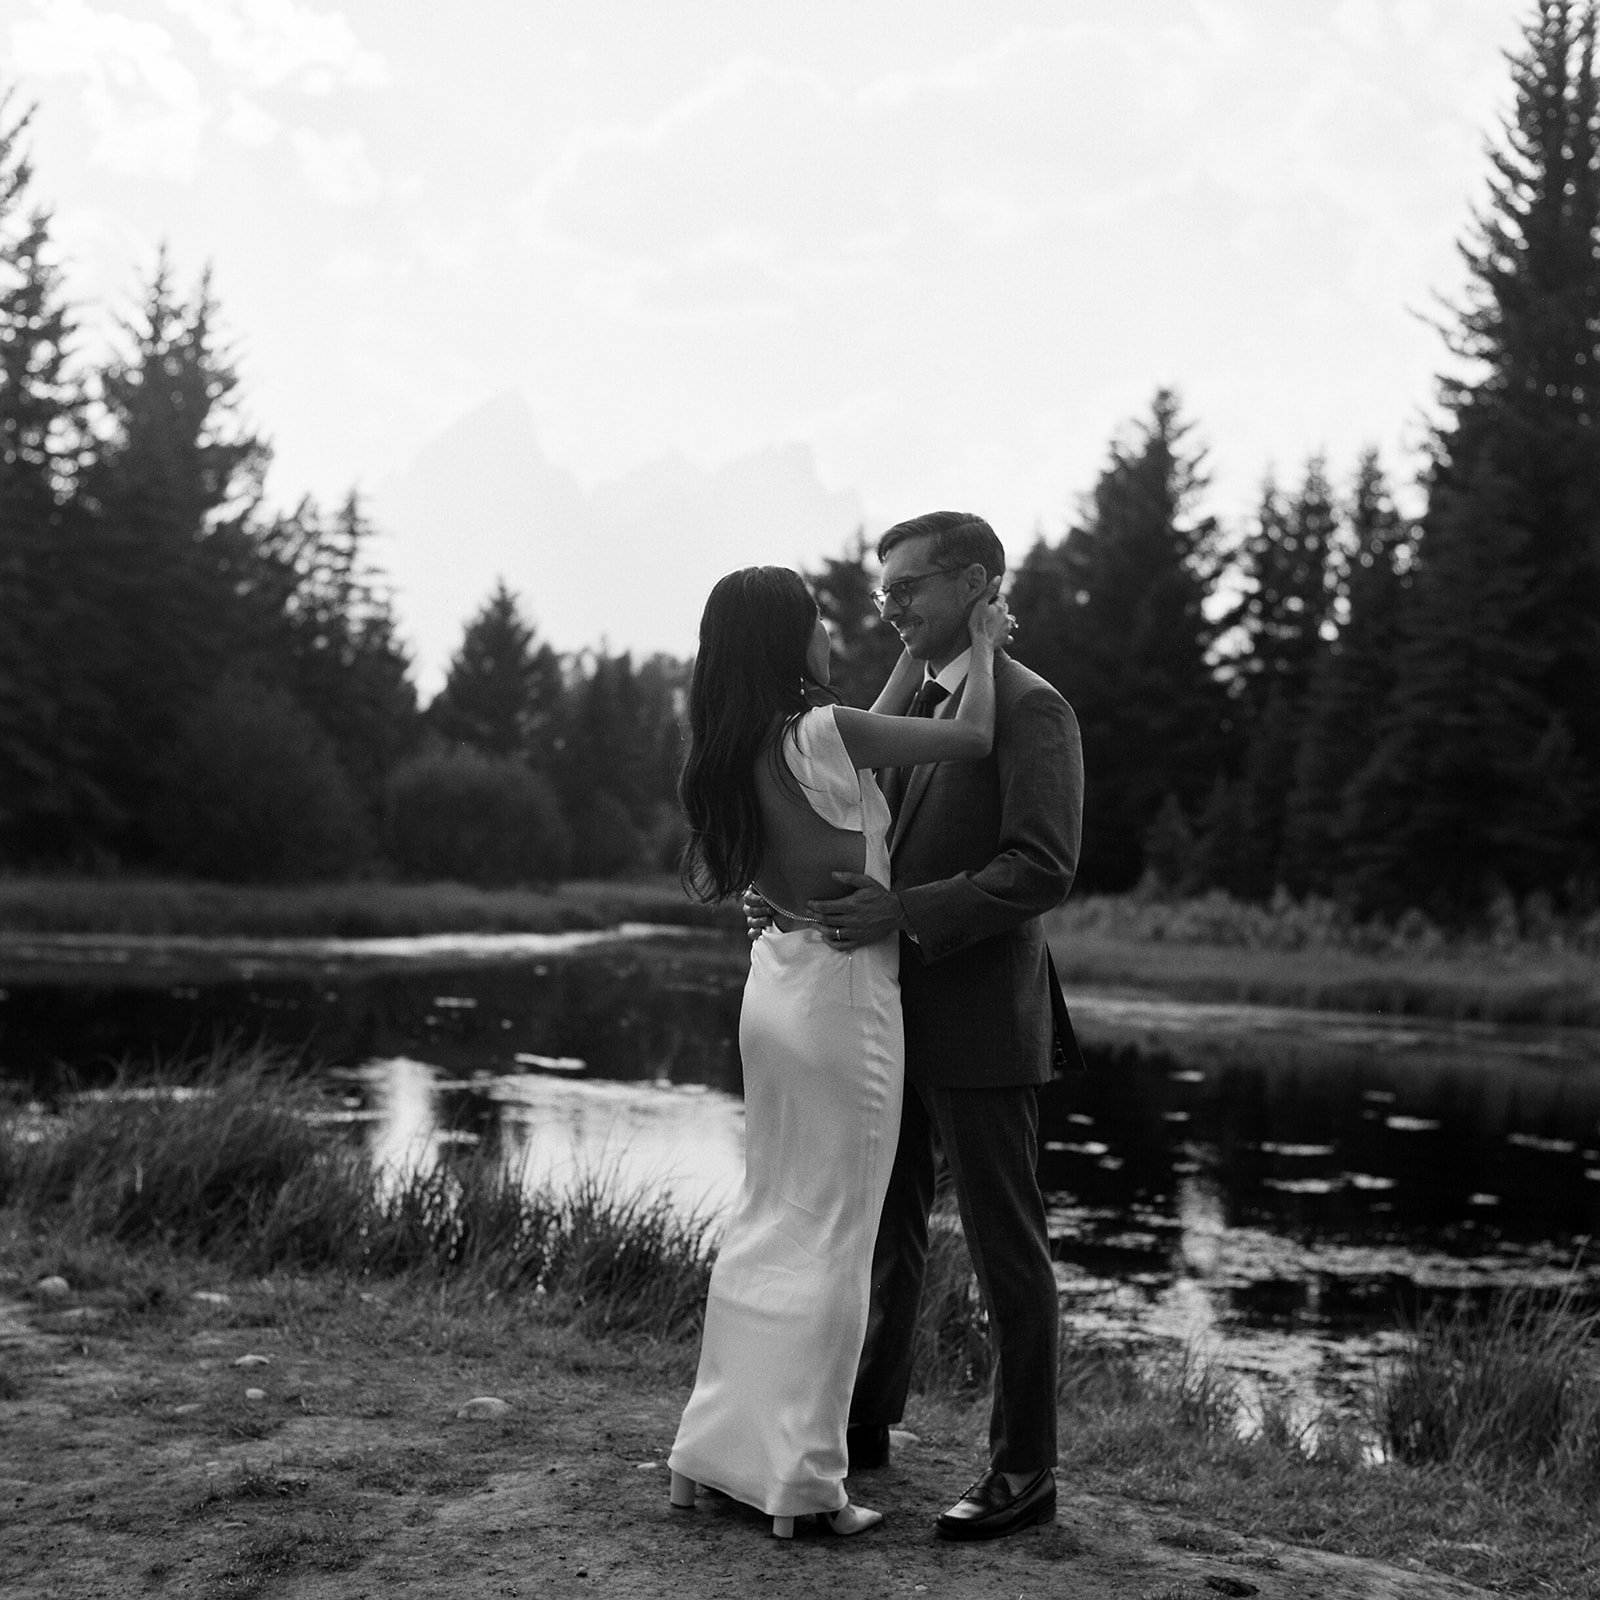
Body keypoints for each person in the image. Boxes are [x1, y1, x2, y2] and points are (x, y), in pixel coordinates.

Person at [666, 564, 1013, 1541]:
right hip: (843, 1000)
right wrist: (979, 639)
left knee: (769, 1215)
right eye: (816, 623)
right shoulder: (827, 736)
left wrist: (917, 642)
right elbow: (974, 734)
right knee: (838, 1235)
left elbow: (855, 723)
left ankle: (713, 1454)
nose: (830, 635)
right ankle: (805, 1481)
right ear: (789, 643)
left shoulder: (741, 747)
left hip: (770, 987)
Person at [769, 511, 1084, 1542]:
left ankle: (1023, 1472)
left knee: (1006, 1249)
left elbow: (1040, 867)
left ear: (975, 584)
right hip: (884, 1018)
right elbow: (861, 838)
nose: (889, 605)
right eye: (883, 589)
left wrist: (903, 913)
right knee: (881, 1231)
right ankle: (863, 1425)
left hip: (986, 1021)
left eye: (908, 586)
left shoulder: (1033, 710)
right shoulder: (917, 707)